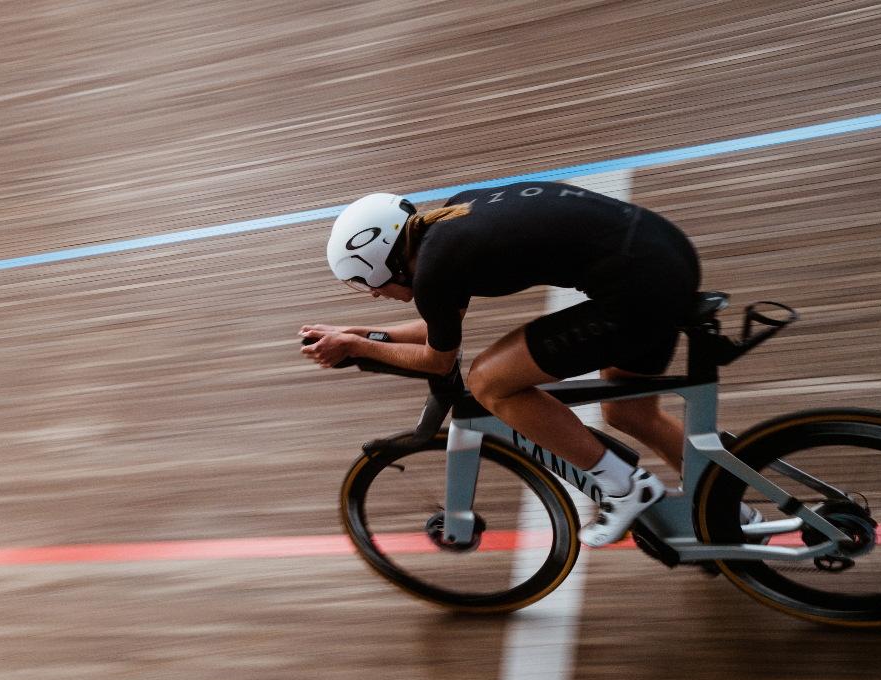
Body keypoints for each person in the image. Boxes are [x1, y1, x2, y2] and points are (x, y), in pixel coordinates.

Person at [300, 182, 700, 547]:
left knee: (488, 382)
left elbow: (438, 361)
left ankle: (624, 488)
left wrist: (357, 346)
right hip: (665, 255)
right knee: (630, 413)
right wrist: (356, 336)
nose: (371, 293)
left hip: (638, 291)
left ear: (380, 261)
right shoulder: (451, 219)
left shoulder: (434, 271)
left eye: (364, 280)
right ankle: (723, 503)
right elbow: (437, 327)